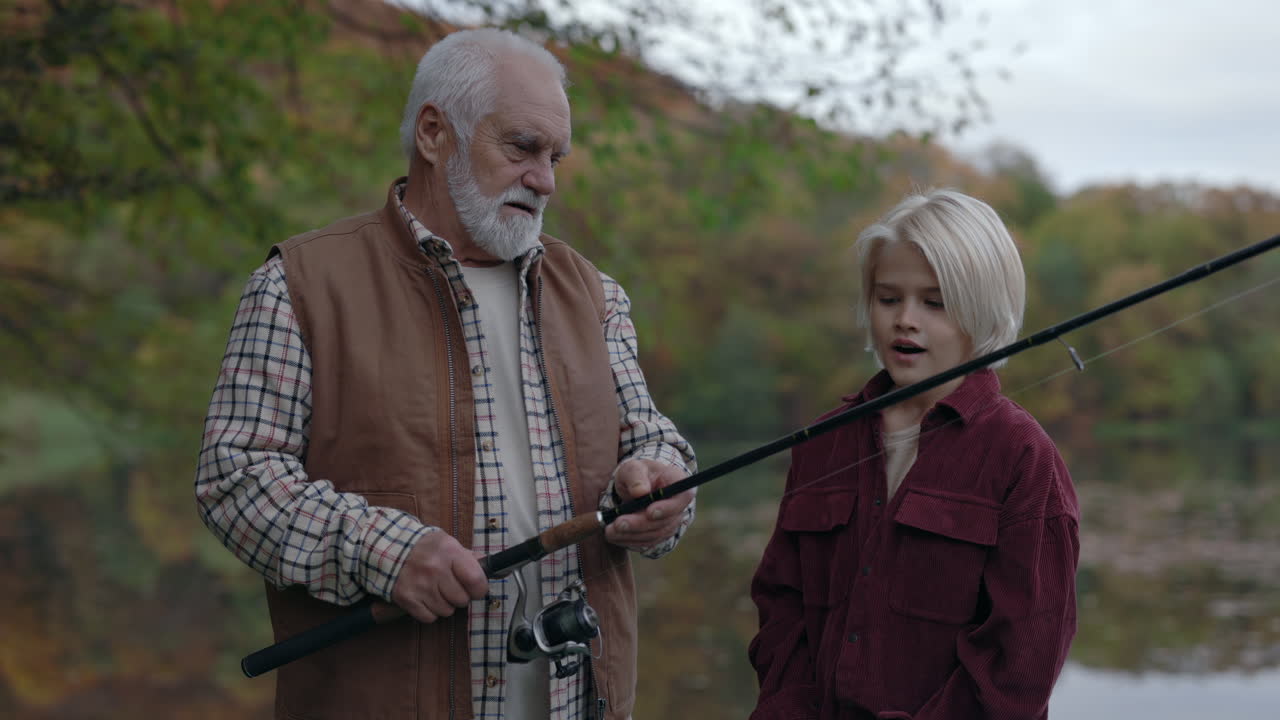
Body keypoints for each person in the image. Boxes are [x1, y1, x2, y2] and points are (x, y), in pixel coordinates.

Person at [195, 28, 696, 720]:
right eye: (522, 148)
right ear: (435, 133)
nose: (545, 180)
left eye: (555, 157)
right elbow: (234, 477)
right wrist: (385, 553)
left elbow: (652, 439)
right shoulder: (300, 285)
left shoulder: (597, 295)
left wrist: (662, 486)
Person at [748, 189, 1079, 719]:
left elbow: (1019, 665)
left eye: (935, 302)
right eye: (888, 299)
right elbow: (780, 607)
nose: (905, 320)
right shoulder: (822, 443)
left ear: (983, 311)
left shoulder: (1023, 457)